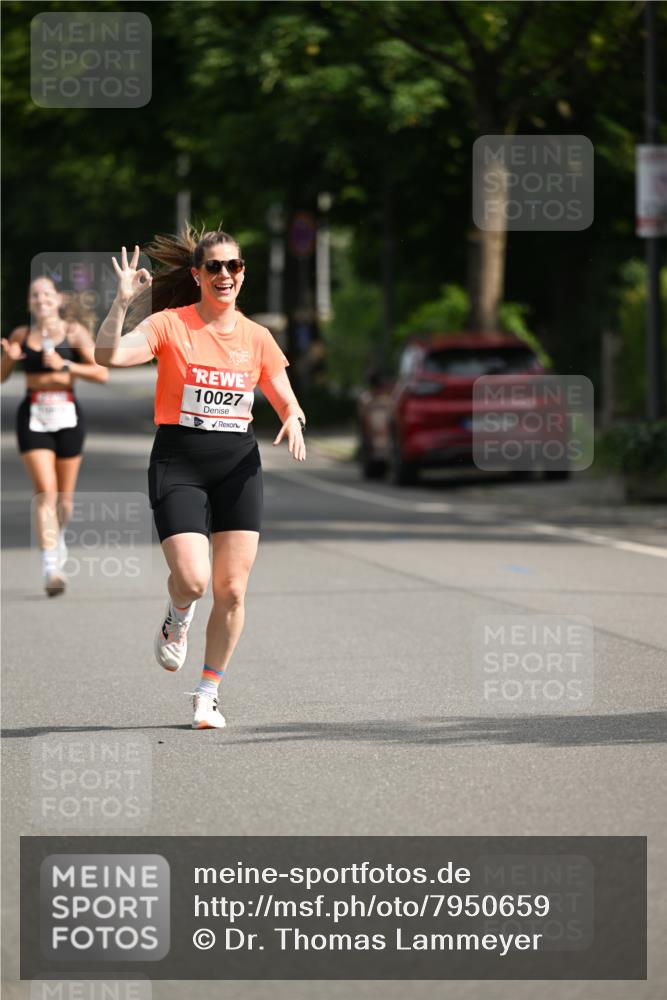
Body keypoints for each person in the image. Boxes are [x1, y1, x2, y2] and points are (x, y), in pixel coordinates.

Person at [94, 227, 307, 730]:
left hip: (237, 466)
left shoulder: (256, 337)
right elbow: (109, 356)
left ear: (242, 273)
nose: (225, 275)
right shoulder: (170, 325)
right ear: (197, 274)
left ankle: (207, 693)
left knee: (232, 591)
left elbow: (282, 393)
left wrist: (293, 416)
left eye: (234, 266)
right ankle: (178, 612)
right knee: (193, 579)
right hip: (180, 462)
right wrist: (122, 304)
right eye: (214, 267)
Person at [1, 276, 108, 596]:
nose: (41, 299)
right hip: (33, 416)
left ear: (59, 299)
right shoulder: (22, 334)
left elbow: (101, 372)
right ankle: (52, 566)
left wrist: (65, 365)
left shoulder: (74, 332)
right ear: (29, 303)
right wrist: (8, 357)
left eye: (47, 294)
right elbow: (1, 377)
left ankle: (56, 540)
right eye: (35, 295)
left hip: (67, 416)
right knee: (45, 493)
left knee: (64, 501)